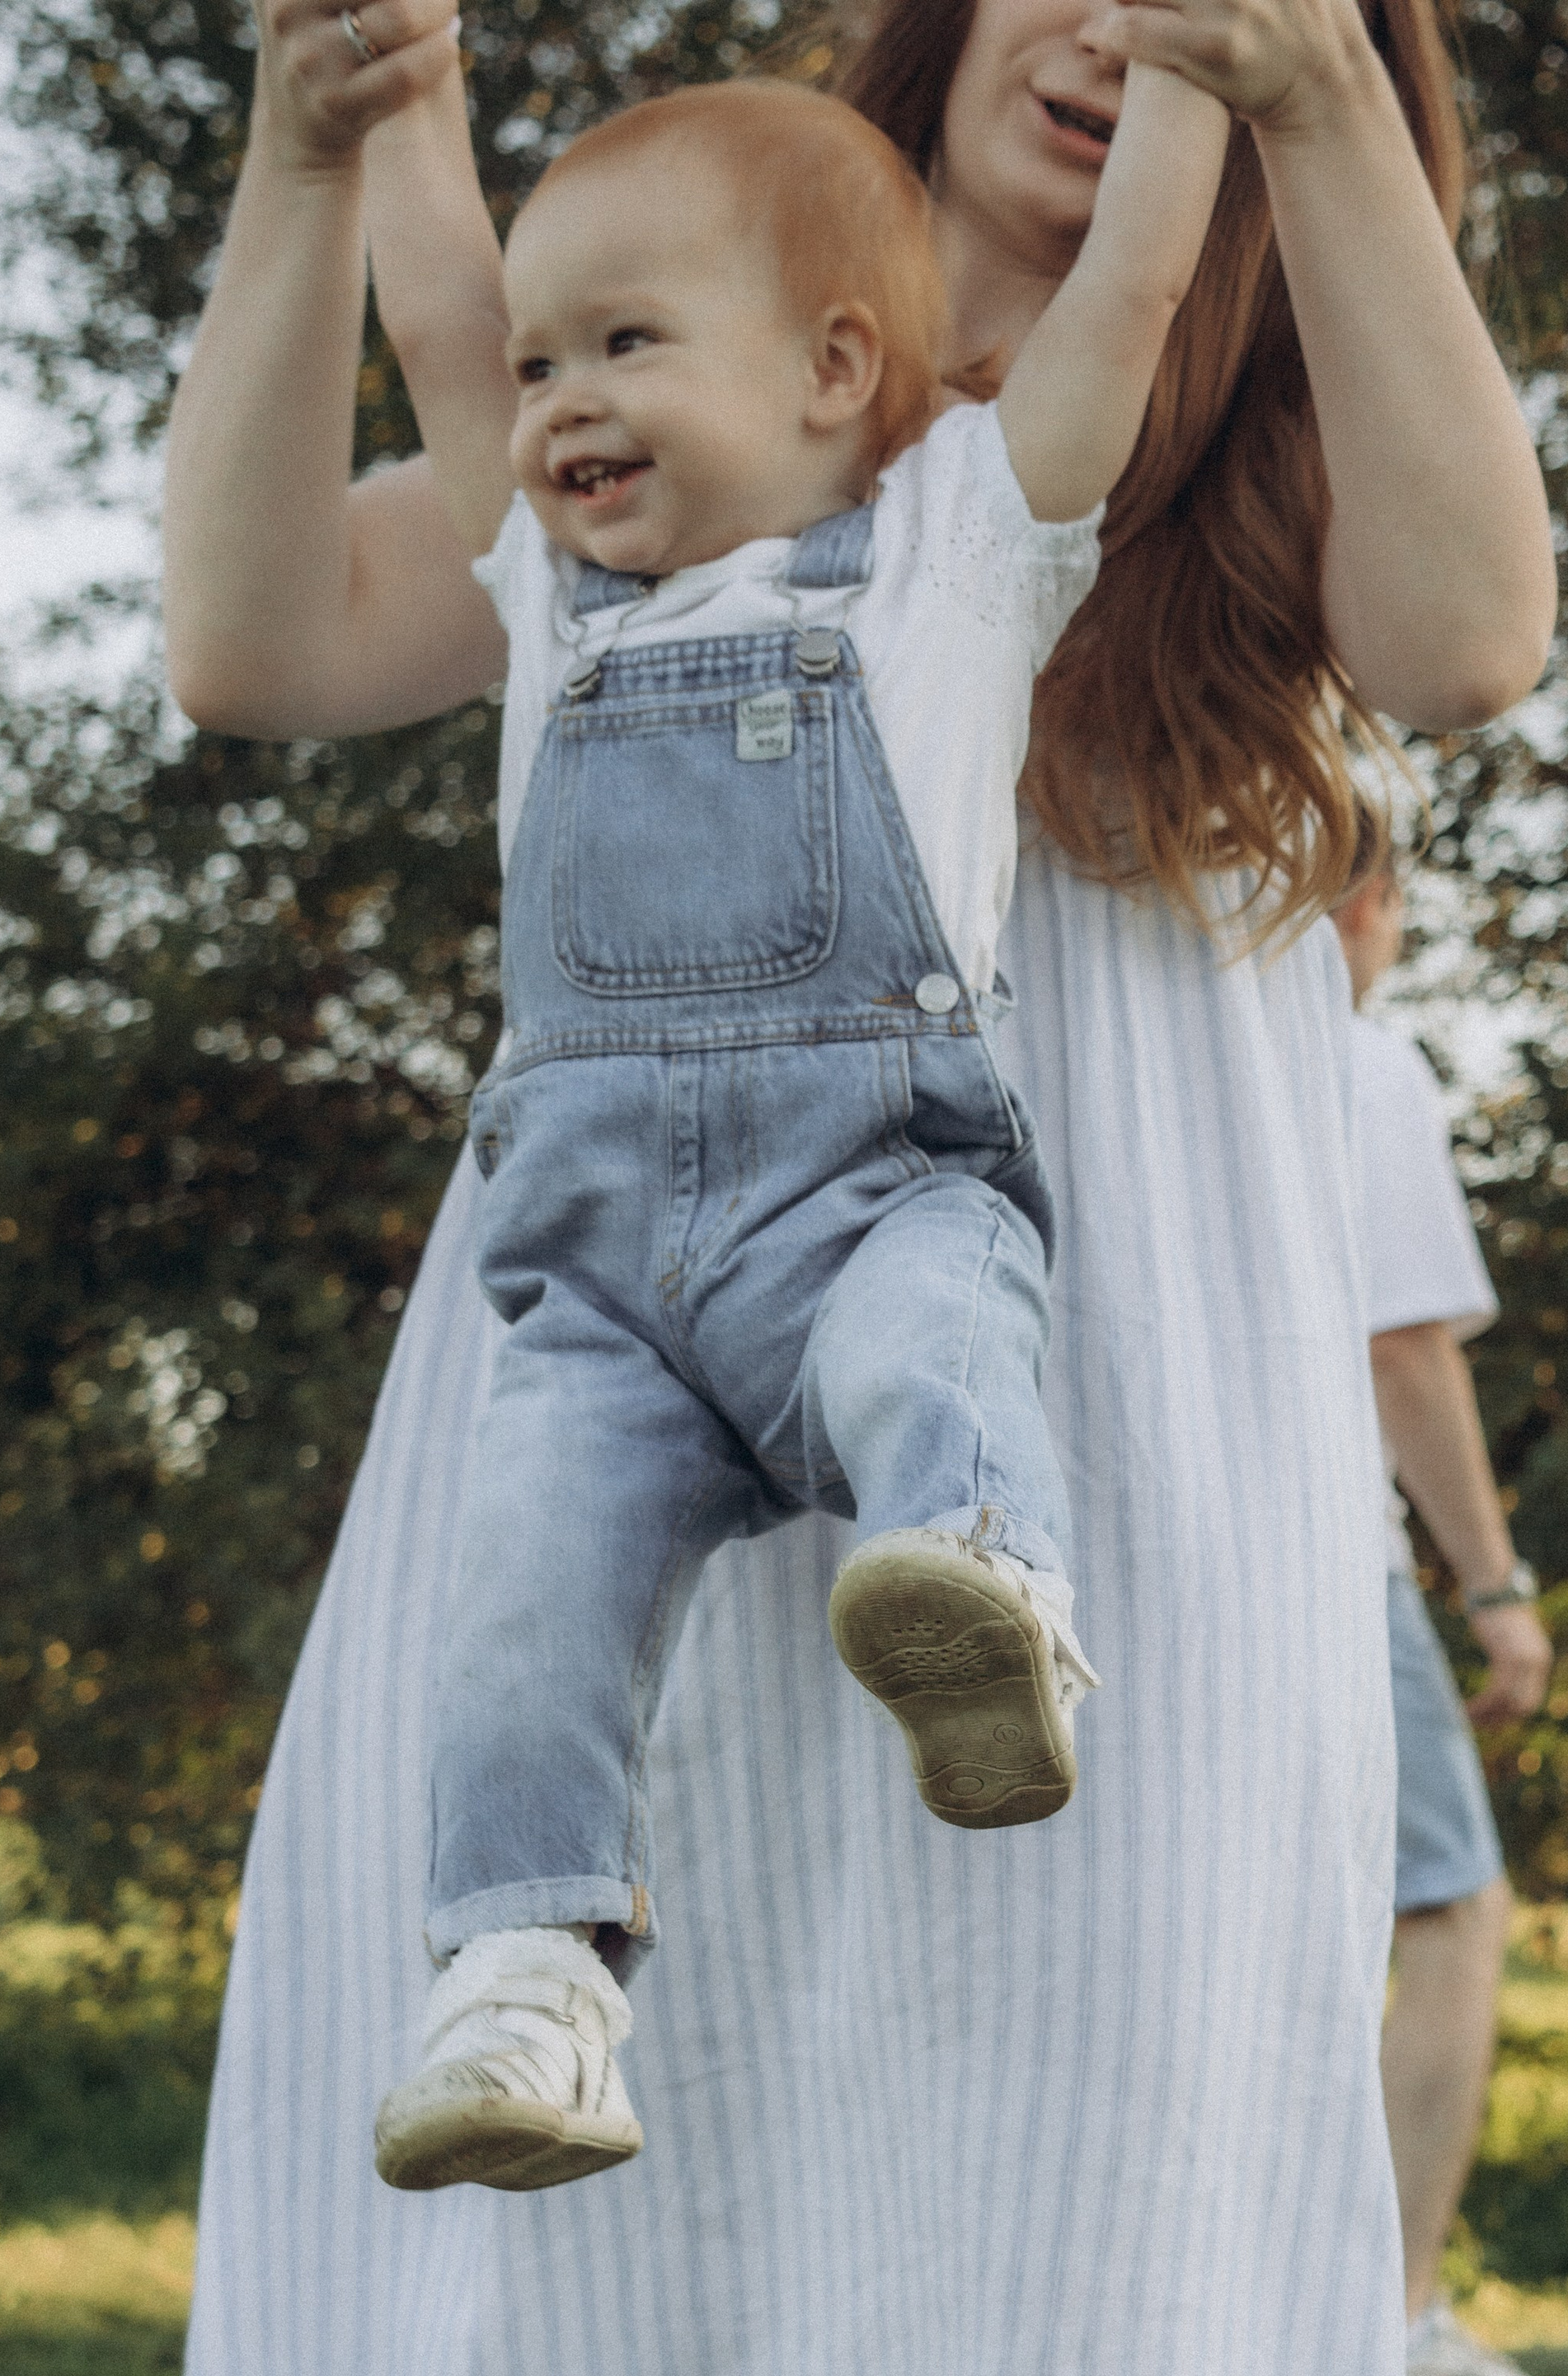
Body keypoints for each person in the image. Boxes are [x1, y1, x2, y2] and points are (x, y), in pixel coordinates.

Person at [49, 7, 1556, 2376]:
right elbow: (248, 641)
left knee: (1136, 2226)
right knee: (771, 2204)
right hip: (644, 1368)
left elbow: (1477, 637)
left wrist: (1298, 126)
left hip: (1095, 1368)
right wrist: (310, 179)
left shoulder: (1215, 429)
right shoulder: (679, 359)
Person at [359, 68, 1229, 2196]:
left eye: (626, 343)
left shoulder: (949, 543)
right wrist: (396, 79)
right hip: (599, 1306)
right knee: (521, 1598)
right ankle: (527, 1983)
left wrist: (1209, 69)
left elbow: (1126, 295)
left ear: (842, 367)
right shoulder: (553, 602)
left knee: (928, 1345)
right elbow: (442, 320)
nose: (555, 395)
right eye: (547, 359)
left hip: (871, 1197)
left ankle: (980, 1586)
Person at [1335, 846, 1568, 2376]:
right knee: (1452, 1906)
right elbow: (1405, 1350)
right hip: (1316, 1557)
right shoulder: (1354, 1063)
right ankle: (1390, 2322)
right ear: (1356, 895)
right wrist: (1493, 1589)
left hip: (1088, 1558)